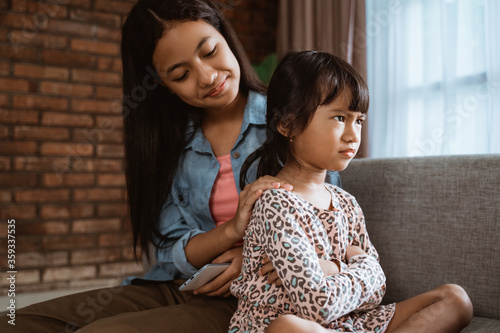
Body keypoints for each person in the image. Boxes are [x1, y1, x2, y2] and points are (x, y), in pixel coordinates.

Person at [0, 1, 344, 332]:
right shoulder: (168, 144)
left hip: (256, 299)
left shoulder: (293, 122)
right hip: (178, 285)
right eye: (181, 74)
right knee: (15, 322)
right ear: (162, 85)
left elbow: (332, 226)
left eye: (209, 52)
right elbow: (166, 246)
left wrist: (252, 260)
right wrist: (229, 233)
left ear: (225, 36)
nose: (207, 77)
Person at [229, 51, 473, 333]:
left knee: (455, 299)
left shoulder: (346, 203)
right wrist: (352, 263)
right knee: (288, 327)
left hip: (349, 324)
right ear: (287, 124)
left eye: (359, 120)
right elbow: (317, 306)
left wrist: (332, 269)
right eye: (339, 117)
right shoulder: (275, 203)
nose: (353, 135)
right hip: (289, 326)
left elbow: (377, 291)